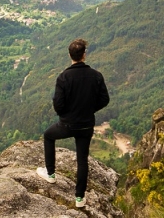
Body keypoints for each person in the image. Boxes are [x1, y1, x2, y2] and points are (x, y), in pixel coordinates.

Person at [36, 38, 110, 208]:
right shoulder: (96, 76)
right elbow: (104, 100)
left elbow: (58, 105)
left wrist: (67, 116)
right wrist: (89, 109)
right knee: (82, 159)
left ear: (70, 55)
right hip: (86, 125)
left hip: (67, 124)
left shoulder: (63, 77)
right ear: (84, 55)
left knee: (48, 136)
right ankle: (79, 199)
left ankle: (51, 174)